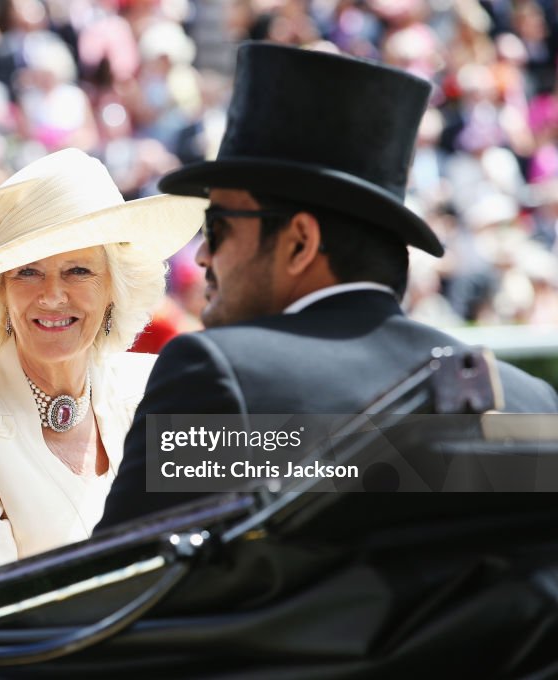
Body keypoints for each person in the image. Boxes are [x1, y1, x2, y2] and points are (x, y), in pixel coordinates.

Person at [97, 43, 558, 530]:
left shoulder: (218, 376)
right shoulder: (529, 402)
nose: (204, 255)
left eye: (217, 229)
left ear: (300, 242)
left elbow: (111, 591)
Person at [0, 149, 203, 579]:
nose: (53, 296)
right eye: (27, 272)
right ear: (0, 292)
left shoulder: (156, 386)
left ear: (115, 286)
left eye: (78, 270)